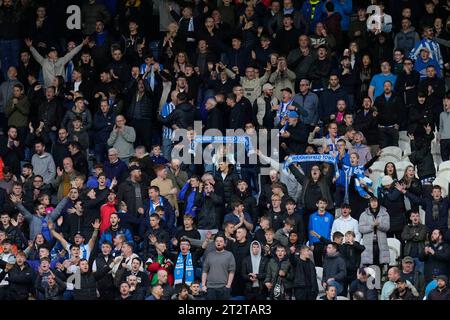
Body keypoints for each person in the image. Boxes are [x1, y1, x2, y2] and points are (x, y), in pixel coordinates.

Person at [202, 235, 236, 300]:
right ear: (214, 243)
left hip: (223, 287)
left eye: (221, 241)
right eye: (217, 241)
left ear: (224, 243)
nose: (218, 243)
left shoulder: (229, 255)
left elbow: (232, 271)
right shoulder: (209, 255)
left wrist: (228, 285)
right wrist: (203, 285)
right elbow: (204, 271)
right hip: (210, 288)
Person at [359, 197, 390, 267]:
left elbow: (387, 227)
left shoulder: (385, 214)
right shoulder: (363, 214)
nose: (374, 203)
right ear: (369, 203)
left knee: (380, 264)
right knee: (369, 266)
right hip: (368, 244)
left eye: (375, 201)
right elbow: (361, 229)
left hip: (381, 244)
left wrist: (379, 225)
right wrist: (372, 226)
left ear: (378, 202)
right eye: (372, 201)